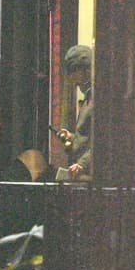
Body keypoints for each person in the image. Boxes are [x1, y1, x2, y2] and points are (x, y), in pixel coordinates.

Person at [56, 44, 94, 182]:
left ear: (85, 70)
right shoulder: (87, 100)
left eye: (73, 73)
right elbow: (87, 137)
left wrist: (82, 164)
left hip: (90, 175)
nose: (73, 82)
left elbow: (102, 139)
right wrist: (72, 137)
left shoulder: (97, 100)